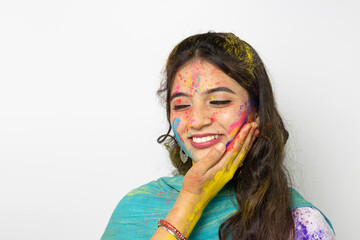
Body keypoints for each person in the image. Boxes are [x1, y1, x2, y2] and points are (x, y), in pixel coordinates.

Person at [101, 32, 336, 240]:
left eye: (219, 101)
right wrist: (191, 199)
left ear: (257, 112)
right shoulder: (134, 208)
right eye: (181, 105)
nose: (197, 120)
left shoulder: (300, 222)